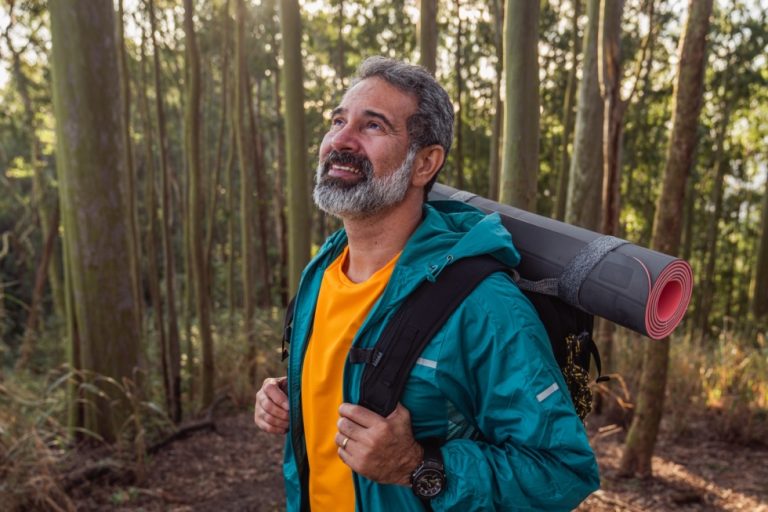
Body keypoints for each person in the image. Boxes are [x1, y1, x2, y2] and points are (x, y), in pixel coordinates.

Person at [254, 56, 599, 511]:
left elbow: (563, 471)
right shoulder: (322, 268)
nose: (341, 139)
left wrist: (417, 466)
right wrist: (293, 394)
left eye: (372, 126)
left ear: (424, 164)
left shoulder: (482, 304)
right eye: (338, 120)